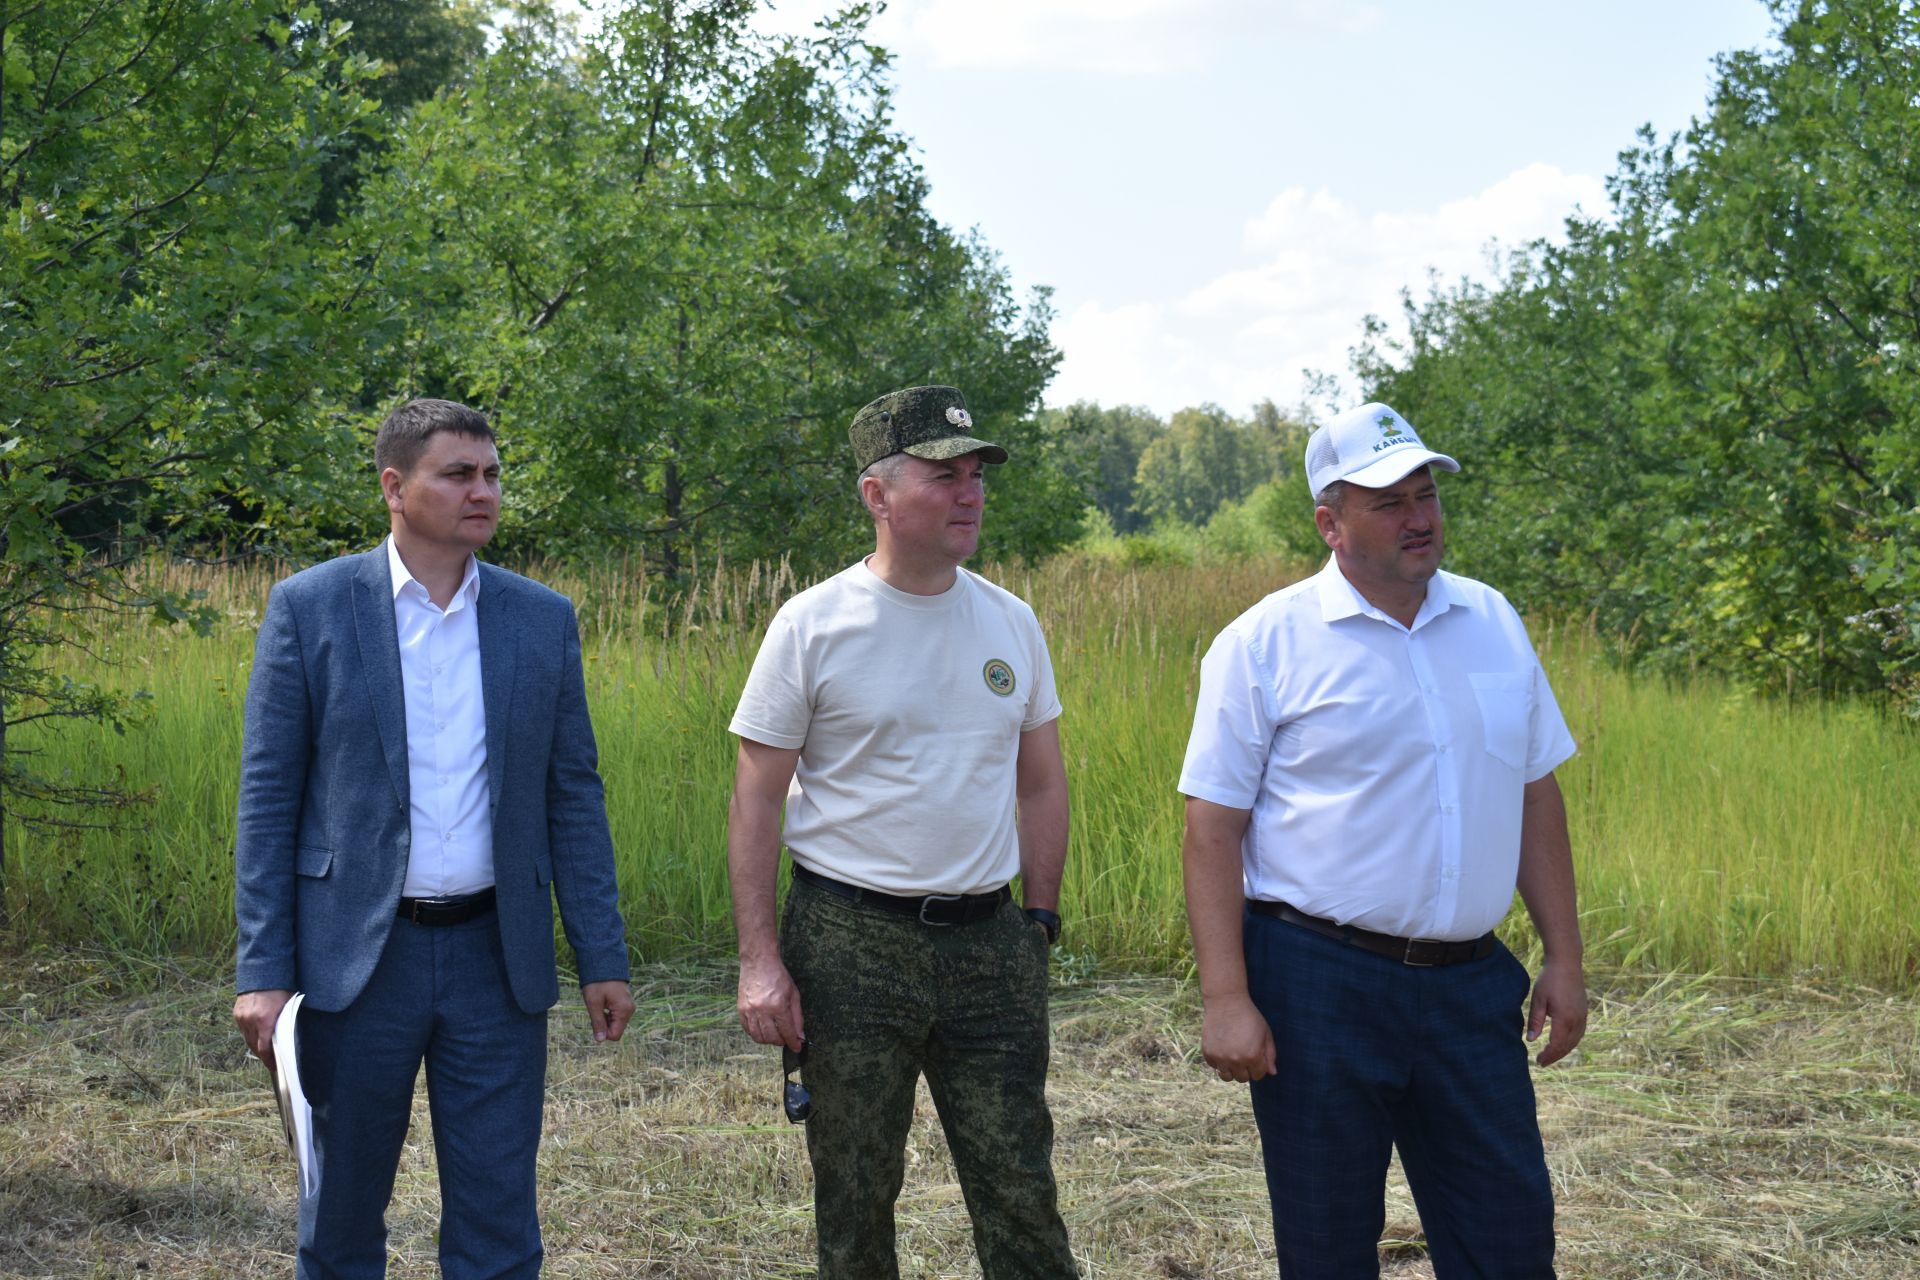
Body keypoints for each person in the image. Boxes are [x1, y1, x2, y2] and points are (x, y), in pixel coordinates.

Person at [1179, 401, 1588, 1278]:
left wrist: (1565, 956)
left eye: (1426, 493)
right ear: (1330, 523)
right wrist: (1226, 996)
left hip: (1471, 989)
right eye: (1389, 502)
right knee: (1328, 1246)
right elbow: (1212, 829)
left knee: (1510, 1241)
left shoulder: (1492, 622)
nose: (1420, 518)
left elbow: (1534, 791)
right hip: (1317, 983)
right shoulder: (1263, 644)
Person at [232, 398, 635, 1280]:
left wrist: (602, 952)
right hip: (354, 965)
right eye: (458, 474)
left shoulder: (541, 619)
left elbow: (573, 795)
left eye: (491, 473)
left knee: (498, 1224)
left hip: (498, 959)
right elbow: (268, 797)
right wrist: (264, 971)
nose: (482, 491)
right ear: (393, 486)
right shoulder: (312, 608)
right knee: (338, 1221)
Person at [726, 386, 1079, 1279]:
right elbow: (756, 801)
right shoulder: (813, 625)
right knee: (854, 1196)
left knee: (1021, 1193)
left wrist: (1037, 920)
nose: (970, 494)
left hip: (989, 945)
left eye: (975, 476)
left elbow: (1041, 783)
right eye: (943, 475)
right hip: (850, 946)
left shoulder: (1011, 622)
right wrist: (760, 959)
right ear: (877, 495)